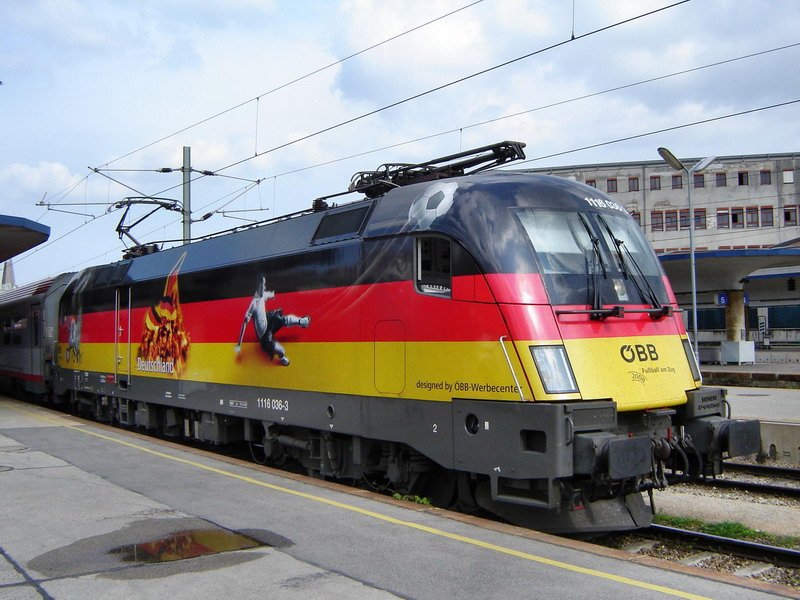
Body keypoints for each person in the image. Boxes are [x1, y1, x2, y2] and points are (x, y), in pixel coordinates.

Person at [234, 275, 310, 366]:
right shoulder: (253, 304)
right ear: (258, 285)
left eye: (265, 284)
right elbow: (244, 324)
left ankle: (300, 322)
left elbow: (269, 294)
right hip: (264, 335)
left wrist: (272, 294)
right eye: (263, 284)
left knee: (281, 318)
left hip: (269, 320)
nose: (265, 287)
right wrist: (239, 344)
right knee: (281, 351)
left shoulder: (263, 294)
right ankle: (282, 357)